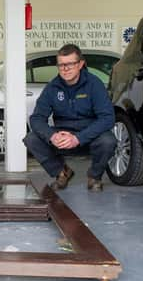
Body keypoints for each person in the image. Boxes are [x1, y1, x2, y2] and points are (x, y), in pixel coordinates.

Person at [23, 44, 116, 191]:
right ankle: (62, 172)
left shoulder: (94, 84)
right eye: (61, 65)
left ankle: (94, 176)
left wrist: (78, 138)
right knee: (31, 139)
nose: (65, 69)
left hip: (89, 134)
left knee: (108, 141)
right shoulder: (52, 88)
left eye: (70, 64)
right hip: (63, 134)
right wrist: (52, 135)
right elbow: (36, 118)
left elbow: (108, 118)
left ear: (80, 64)